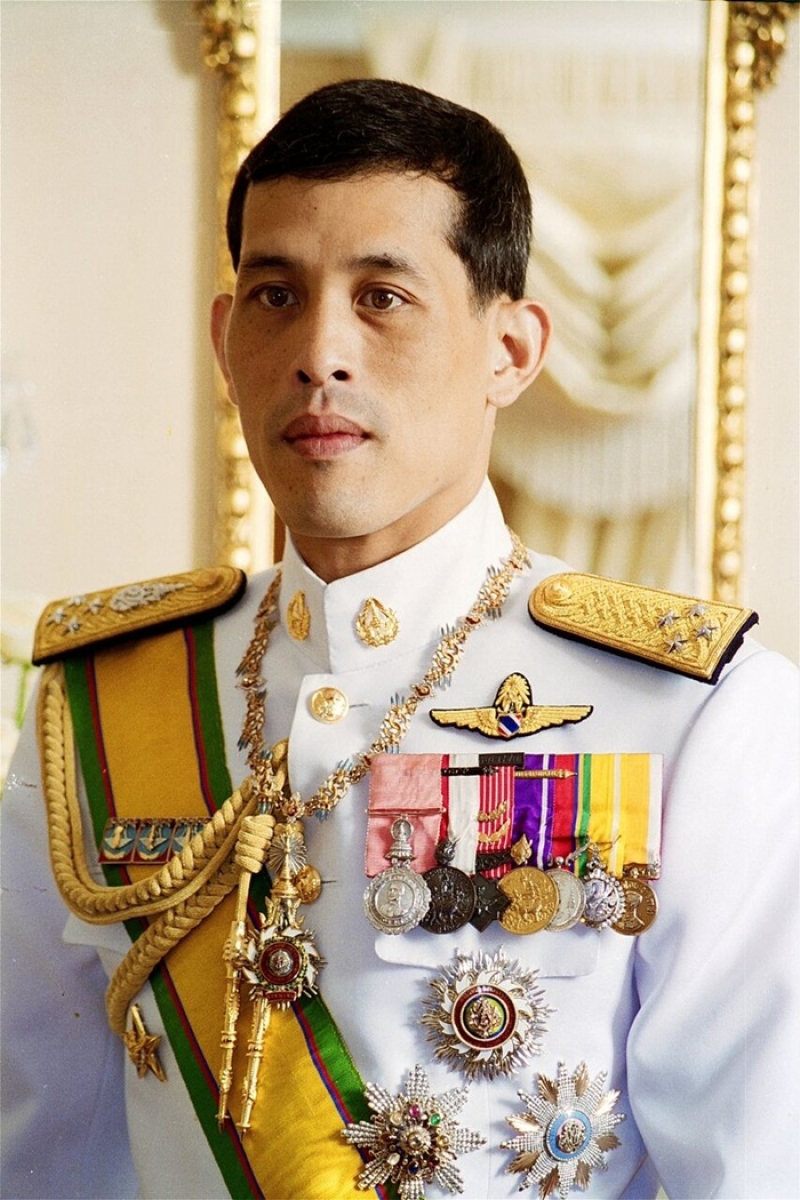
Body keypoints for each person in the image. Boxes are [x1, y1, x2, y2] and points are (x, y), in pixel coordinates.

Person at [1, 78, 797, 1200]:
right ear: (226, 341)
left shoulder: (697, 712)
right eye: (276, 295)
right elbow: (35, 1146)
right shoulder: (102, 697)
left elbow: (753, 1169)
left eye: (382, 297)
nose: (318, 351)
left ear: (510, 350)